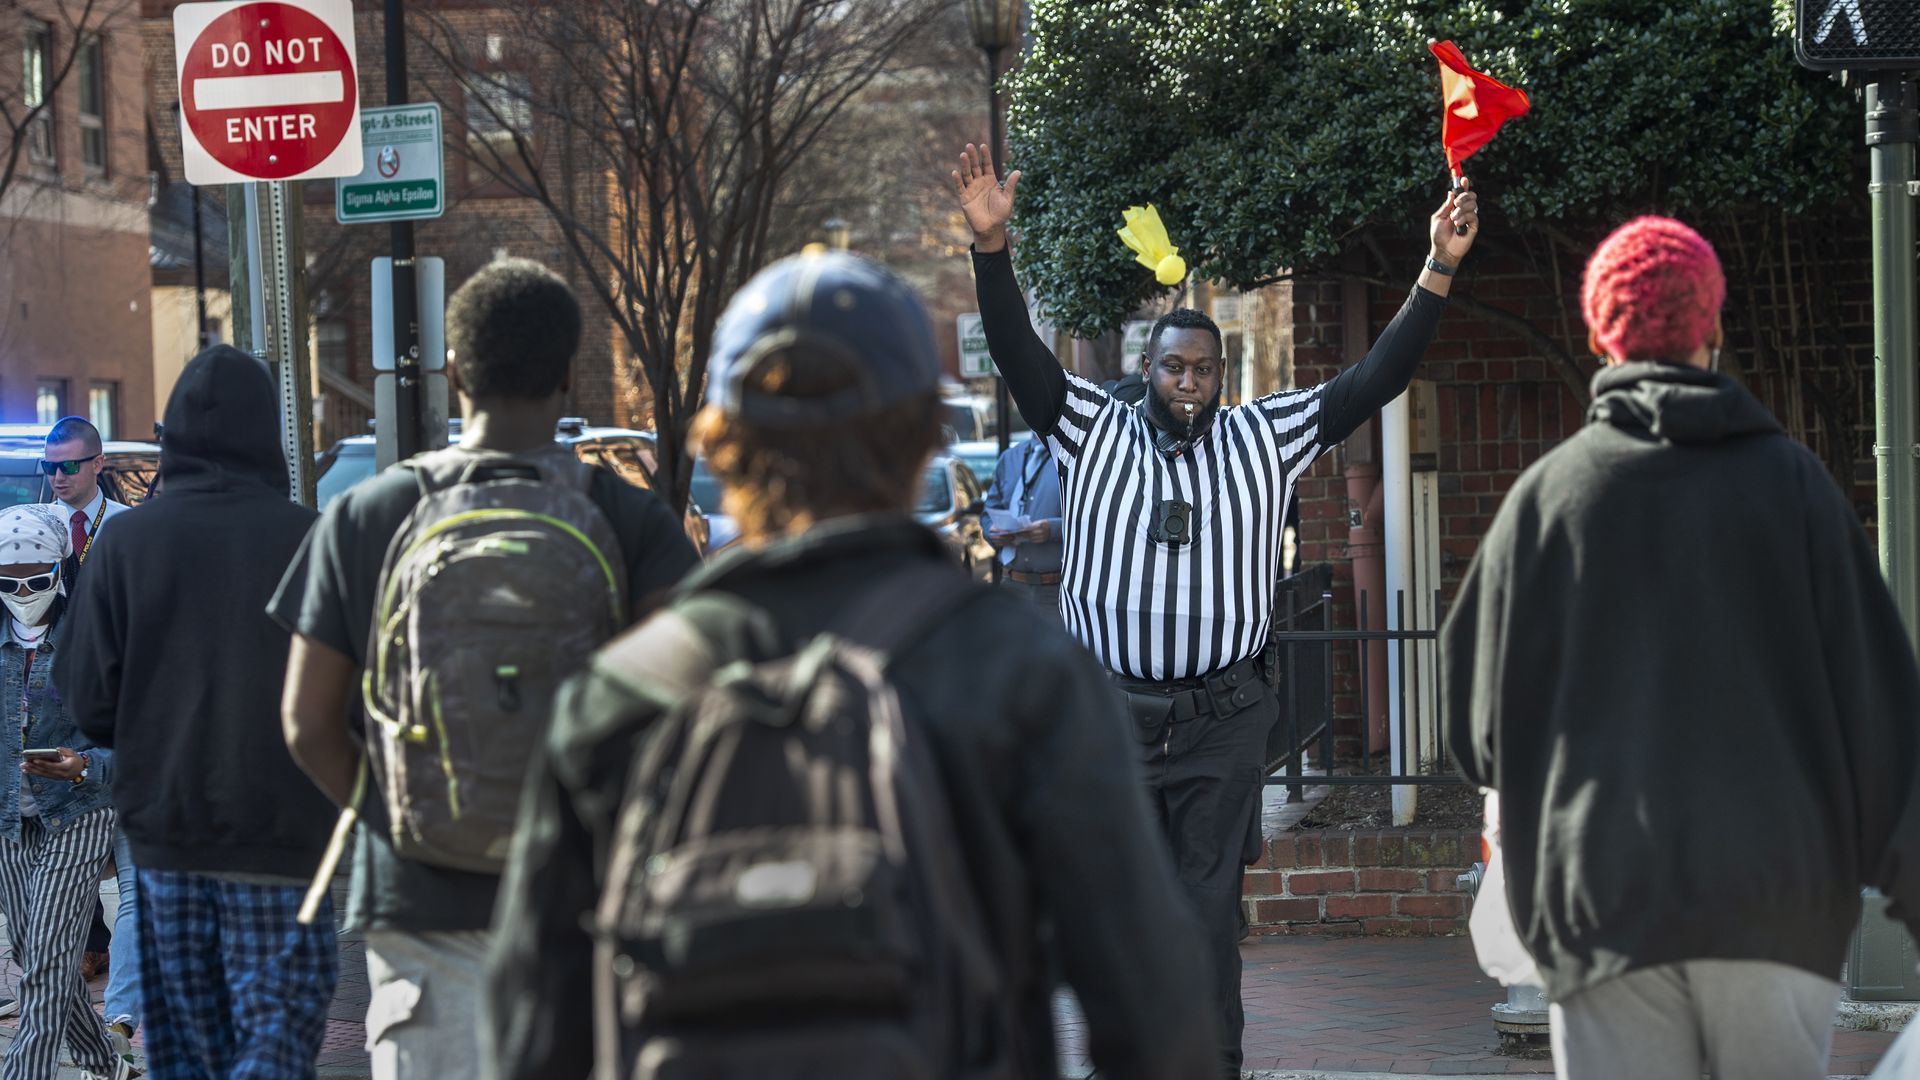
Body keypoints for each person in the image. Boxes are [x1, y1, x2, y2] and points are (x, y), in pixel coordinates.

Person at [485, 249, 1213, 1080]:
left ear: (723, 445)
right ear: (920, 442)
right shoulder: (1022, 673)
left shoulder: (620, 695)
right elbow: (1157, 1016)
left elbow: (532, 1035)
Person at [950, 143, 1479, 1075]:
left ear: (1221, 374)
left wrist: (1436, 268)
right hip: (1111, 717)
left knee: (1200, 910)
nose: (1188, 382)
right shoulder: (1089, 423)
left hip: (1222, 720)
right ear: (1145, 370)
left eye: (1203, 368)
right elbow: (1017, 355)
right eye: (1172, 368)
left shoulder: (1263, 436)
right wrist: (992, 249)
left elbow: (1374, 380)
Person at [1441, 216, 1920, 1080]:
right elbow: (1882, 718)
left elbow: (1476, 732)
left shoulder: (1547, 502)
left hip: (1606, 906)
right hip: (1776, 901)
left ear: (1598, 334)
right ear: (1713, 329)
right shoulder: (1798, 490)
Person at [273, 258, 700, 1080]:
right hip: (585, 901)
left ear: (453, 371)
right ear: (571, 375)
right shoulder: (628, 519)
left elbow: (306, 722)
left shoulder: (370, 515)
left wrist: (398, 816)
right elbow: (687, 712)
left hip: (420, 902)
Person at [57, 346, 340, 1080]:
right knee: (276, 1045)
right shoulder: (313, 540)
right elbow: (357, 699)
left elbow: (86, 699)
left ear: (171, 434)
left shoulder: (124, 544)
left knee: (184, 1052)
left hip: (167, 840)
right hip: (286, 844)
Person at [0, 502, 124, 1080]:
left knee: (49, 958)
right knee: (34, 954)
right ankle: (105, 1061)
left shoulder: (99, 636)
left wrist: (84, 767)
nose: (23, 591)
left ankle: (25, 1072)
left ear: (62, 568)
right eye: (7, 580)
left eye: (37, 578)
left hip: (78, 811)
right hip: (8, 817)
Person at [41, 416, 138, 1055]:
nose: (57, 477)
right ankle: (74, 984)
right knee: (58, 876)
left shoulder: (128, 527)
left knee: (133, 879)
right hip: (53, 723)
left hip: (121, 715)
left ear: (97, 463)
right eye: (49, 467)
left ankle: (122, 1014)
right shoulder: (33, 527)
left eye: (70, 466)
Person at [983, 432, 1063, 614]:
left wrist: (1053, 529)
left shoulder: (1072, 458)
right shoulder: (1009, 458)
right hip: (1010, 586)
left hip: (1054, 591)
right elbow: (987, 513)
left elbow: (1092, 520)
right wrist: (992, 531)